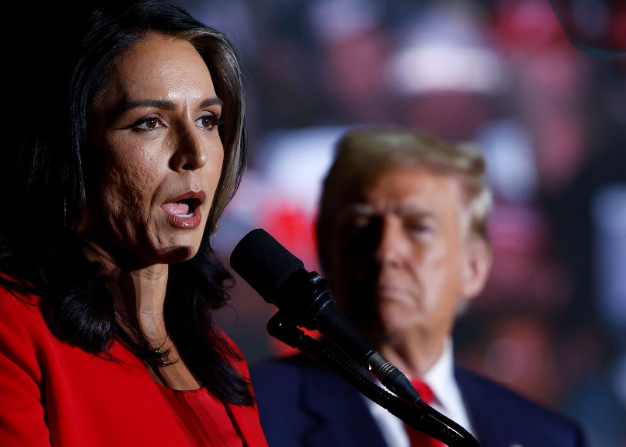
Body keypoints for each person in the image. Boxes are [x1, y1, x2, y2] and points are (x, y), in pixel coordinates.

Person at [0, 2, 269, 446]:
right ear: (71, 151)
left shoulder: (223, 360)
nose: (195, 154)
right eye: (149, 122)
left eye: (207, 120)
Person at [249, 128, 588, 447]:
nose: (387, 251)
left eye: (418, 228)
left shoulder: (551, 437)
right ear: (326, 251)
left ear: (473, 266)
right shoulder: (250, 414)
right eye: (362, 224)